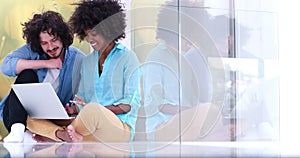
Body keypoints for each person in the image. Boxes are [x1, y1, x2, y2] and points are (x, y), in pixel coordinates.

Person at [28, 0, 141, 142]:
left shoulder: (128, 58)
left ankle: (56, 136)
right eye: (86, 35)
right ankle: (66, 136)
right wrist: (73, 109)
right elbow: (81, 100)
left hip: (118, 128)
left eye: (93, 34)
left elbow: (129, 104)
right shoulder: (87, 62)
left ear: (108, 30)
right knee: (31, 117)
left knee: (93, 111)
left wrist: (98, 109)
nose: (89, 39)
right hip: (87, 125)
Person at [143, 0, 230, 141]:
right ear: (174, 31)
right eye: (187, 35)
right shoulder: (156, 56)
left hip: (186, 122)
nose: (191, 41)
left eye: (193, 36)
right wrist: (191, 111)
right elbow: (156, 104)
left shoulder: (185, 61)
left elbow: (193, 101)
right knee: (211, 114)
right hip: (161, 127)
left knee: (223, 122)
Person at [0, 10, 85, 142]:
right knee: (27, 74)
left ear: (62, 37)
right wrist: (46, 63)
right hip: (18, 117)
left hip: (50, 118)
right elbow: (6, 66)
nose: (50, 47)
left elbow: (89, 90)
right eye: (44, 43)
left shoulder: (78, 59)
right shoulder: (32, 51)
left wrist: (73, 109)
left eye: (54, 40)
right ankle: (19, 130)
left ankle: (50, 135)